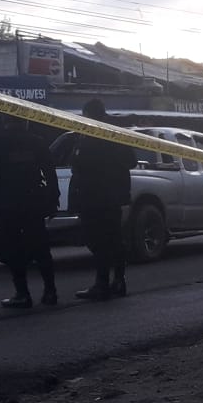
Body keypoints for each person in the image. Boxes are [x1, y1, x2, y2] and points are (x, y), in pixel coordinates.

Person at [0, 115, 60, 308]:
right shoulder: (36, 142)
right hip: (32, 203)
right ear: (25, 122)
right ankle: (50, 291)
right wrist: (53, 200)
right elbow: (49, 172)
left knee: (12, 249)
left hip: (6, 205)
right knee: (41, 248)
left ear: (6, 122)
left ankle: (22, 294)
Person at [71, 99, 138, 301]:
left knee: (99, 241)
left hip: (96, 197)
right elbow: (131, 161)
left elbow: (79, 165)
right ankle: (118, 281)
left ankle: (103, 284)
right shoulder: (114, 134)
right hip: (111, 196)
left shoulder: (92, 136)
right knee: (113, 240)